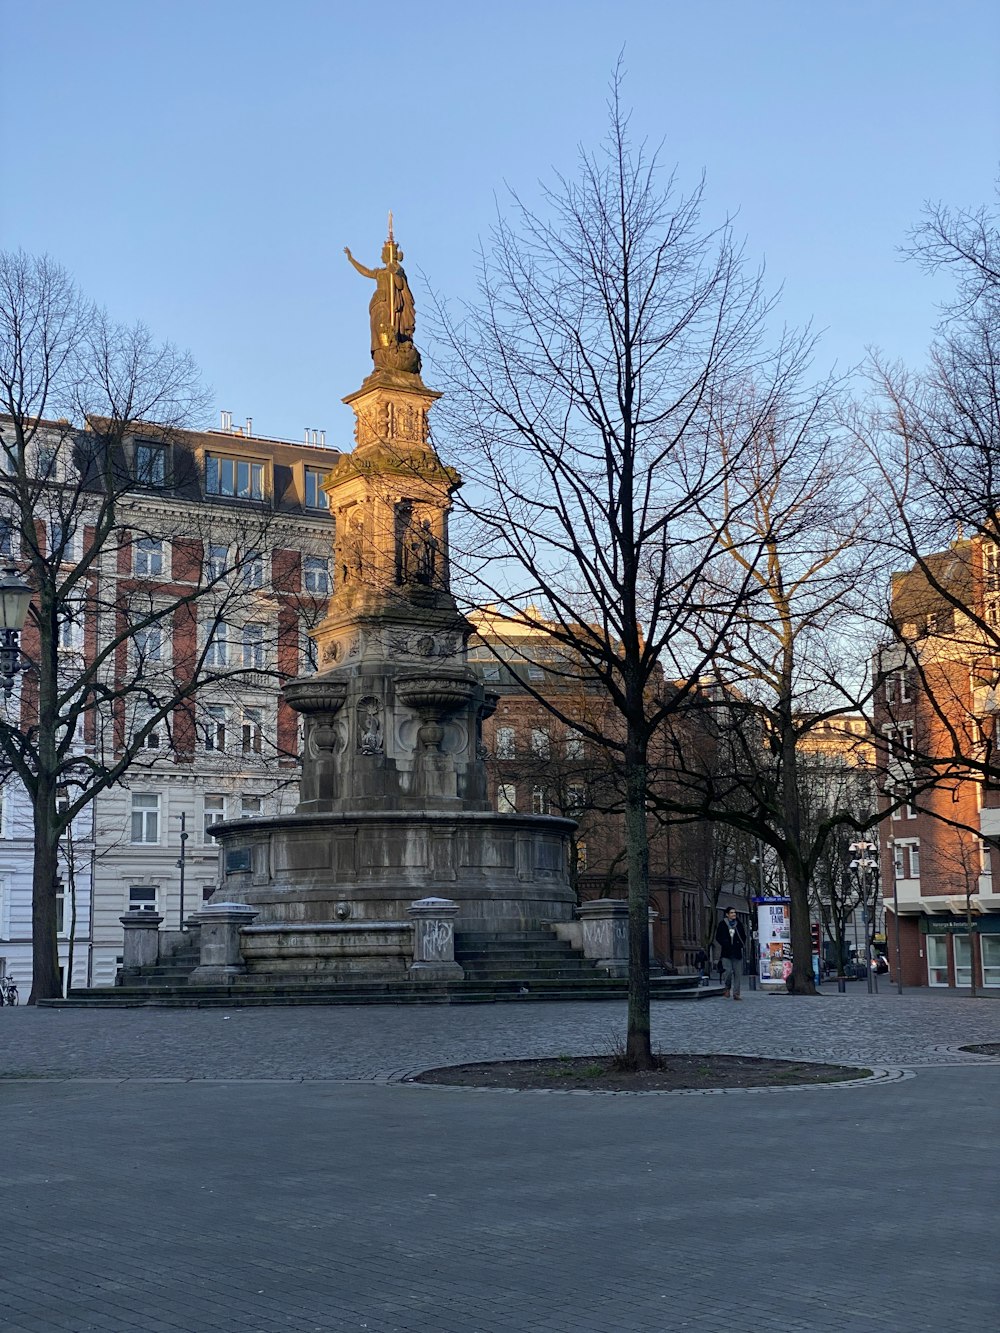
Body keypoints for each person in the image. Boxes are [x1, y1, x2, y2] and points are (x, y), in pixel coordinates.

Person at [714, 907, 748, 1000]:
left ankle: (736, 993)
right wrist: (724, 943)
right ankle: (727, 988)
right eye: (732, 913)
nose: (734, 914)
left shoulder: (739, 924)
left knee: (737, 974)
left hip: (737, 952)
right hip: (726, 953)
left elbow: (743, 936)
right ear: (727, 914)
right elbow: (718, 937)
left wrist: (740, 944)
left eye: (734, 912)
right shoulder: (722, 924)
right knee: (727, 972)